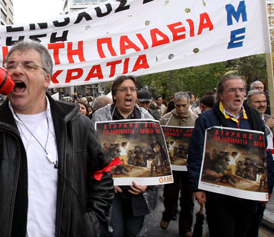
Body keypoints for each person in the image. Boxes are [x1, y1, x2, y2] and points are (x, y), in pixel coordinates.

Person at [0, 40, 114, 237]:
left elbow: (101, 177)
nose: (17, 71)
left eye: (28, 65)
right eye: (10, 65)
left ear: (47, 79)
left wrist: (90, 223)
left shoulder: (76, 124)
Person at [187, 74, 274, 237]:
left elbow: (266, 153)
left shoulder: (254, 117)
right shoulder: (207, 119)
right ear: (221, 94)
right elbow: (196, 154)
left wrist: (267, 187)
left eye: (241, 90)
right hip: (219, 195)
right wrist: (196, 187)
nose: (238, 94)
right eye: (232, 90)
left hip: (248, 196)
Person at [92, 75, 156, 237]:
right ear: (115, 95)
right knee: (115, 232)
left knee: (134, 232)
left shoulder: (147, 118)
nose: (129, 93)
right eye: (124, 89)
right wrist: (106, 180)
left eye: (132, 89)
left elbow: (156, 155)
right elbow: (92, 154)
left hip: (138, 189)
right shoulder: (100, 117)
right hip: (111, 189)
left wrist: (147, 184)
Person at [159, 92, 197, 237]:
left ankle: (186, 228)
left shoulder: (196, 120)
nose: (181, 109)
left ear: (189, 104)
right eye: (178, 105)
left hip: (189, 167)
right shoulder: (165, 120)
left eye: (184, 105)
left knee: (188, 199)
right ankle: (168, 213)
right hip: (172, 166)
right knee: (170, 196)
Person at [246, 89, 274, 236]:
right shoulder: (245, 122)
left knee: (257, 217)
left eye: (264, 102)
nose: (262, 105)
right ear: (249, 104)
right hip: (252, 174)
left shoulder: (270, 119)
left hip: (268, 172)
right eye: (258, 102)